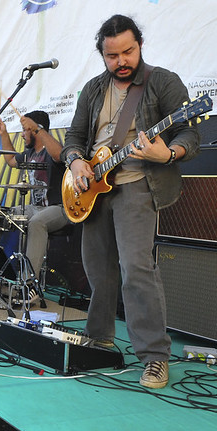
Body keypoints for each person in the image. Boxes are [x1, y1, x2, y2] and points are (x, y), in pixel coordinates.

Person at [62, 14, 201, 389]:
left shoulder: (163, 82)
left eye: (129, 51)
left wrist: (168, 153)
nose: (122, 61)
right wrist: (76, 162)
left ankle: (155, 356)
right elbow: (74, 137)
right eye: (112, 56)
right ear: (102, 55)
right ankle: (99, 337)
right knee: (97, 268)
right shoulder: (92, 89)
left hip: (139, 182)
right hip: (94, 186)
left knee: (137, 268)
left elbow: (189, 131)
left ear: (140, 45)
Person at [0, 110, 67, 305]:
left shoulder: (52, 150)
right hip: (34, 207)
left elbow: (59, 155)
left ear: (35, 130)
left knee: (38, 222)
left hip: (60, 208)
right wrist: (4, 134)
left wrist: (37, 129)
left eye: (24, 130)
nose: (22, 134)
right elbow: (11, 161)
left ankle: (28, 285)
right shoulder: (30, 153)